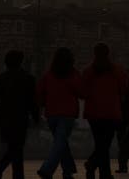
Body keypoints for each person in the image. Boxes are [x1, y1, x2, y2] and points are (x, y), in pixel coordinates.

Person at [0, 50, 39, 179]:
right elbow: (33, 102)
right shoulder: (28, 79)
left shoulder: (1, 78)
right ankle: (3, 169)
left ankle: (2, 169)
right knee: (17, 148)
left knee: (14, 148)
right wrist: (36, 117)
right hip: (20, 118)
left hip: (5, 118)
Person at [82, 43, 128, 179]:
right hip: (111, 111)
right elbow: (124, 89)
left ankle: (100, 170)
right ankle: (99, 170)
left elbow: (83, 91)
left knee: (100, 143)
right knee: (104, 144)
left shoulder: (88, 71)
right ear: (108, 53)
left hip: (94, 112)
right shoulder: (117, 70)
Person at [37, 47, 84, 179]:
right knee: (60, 143)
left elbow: (39, 92)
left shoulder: (48, 75)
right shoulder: (73, 74)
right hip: (67, 114)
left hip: (51, 114)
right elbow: (82, 92)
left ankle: (68, 171)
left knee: (61, 142)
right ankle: (47, 169)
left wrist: (43, 104)